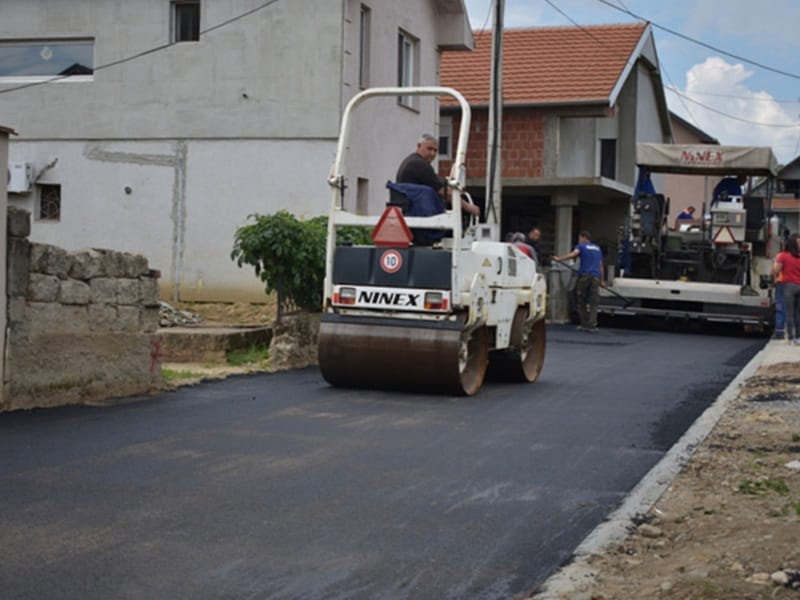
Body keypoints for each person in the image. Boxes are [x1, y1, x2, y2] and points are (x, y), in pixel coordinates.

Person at [394, 133, 480, 218]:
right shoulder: (419, 165)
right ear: (419, 146)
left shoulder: (412, 162)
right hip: (418, 212)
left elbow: (436, 182)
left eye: (435, 151)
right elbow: (444, 191)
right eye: (429, 149)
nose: (432, 154)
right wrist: (469, 207)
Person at [553, 231, 605, 332]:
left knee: (581, 301)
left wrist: (559, 259)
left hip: (585, 276)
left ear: (584, 238)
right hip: (595, 276)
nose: (579, 240)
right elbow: (601, 265)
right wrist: (602, 280)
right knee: (594, 302)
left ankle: (585, 324)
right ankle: (593, 325)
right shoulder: (597, 248)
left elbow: (574, 254)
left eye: (579, 238)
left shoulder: (581, 246)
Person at [774, 234, 800, 345]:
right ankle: (799, 337)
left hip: (789, 286)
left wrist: (776, 263)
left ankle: (791, 338)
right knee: (798, 313)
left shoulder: (783, 256)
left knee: (789, 313)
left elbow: (776, 270)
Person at [771, 241, 788, 339]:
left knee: (780, 307)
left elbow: (774, 270)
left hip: (782, 283)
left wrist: (774, 280)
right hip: (795, 284)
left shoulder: (780, 256)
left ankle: (779, 332)